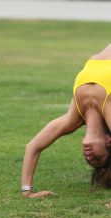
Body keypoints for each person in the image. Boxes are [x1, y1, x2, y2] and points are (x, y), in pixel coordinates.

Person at [21, 44, 111, 198]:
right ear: (109, 141)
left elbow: (33, 147)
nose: (89, 156)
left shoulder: (72, 119)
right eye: (98, 157)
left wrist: (26, 192)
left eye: (88, 159)